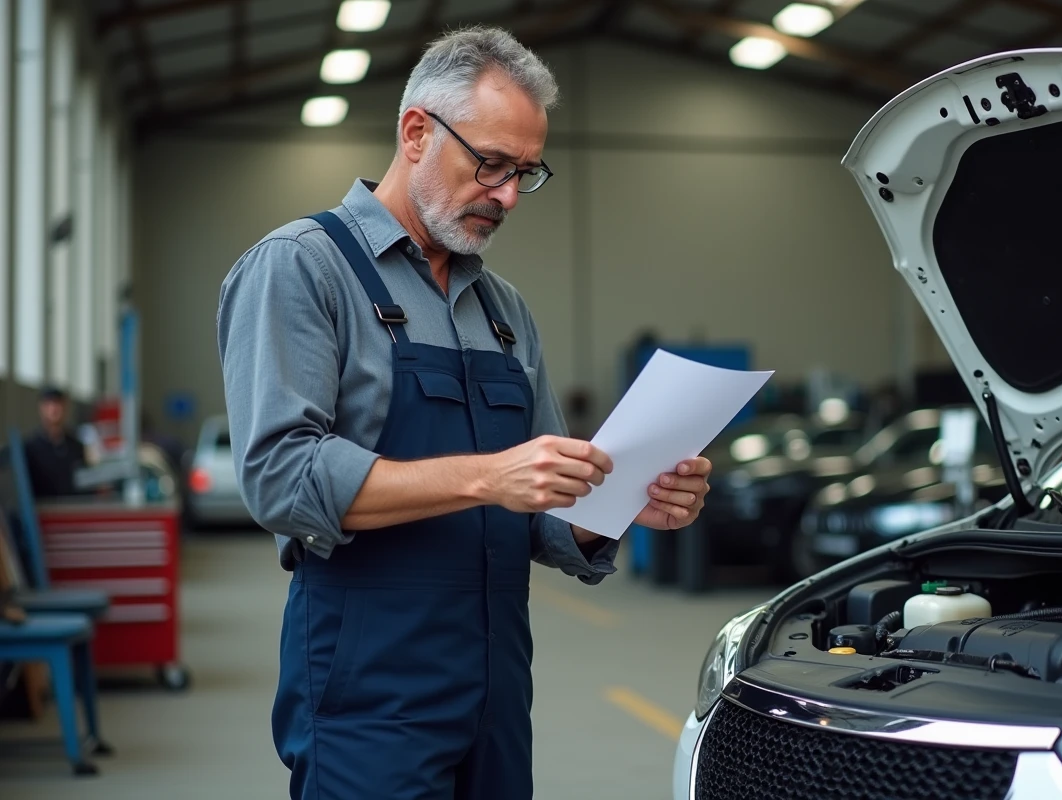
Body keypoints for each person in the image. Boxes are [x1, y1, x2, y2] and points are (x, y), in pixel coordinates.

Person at [216, 26, 712, 800]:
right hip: (369, 695)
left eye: (525, 173)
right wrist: (488, 477)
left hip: (497, 690)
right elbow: (280, 478)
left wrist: (618, 506)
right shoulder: (301, 269)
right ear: (416, 132)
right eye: (490, 165)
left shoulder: (503, 310)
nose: (508, 195)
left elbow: (545, 511)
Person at [23, 387, 90, 499]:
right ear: (41, 408)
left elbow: (83, 482)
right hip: (43, 512)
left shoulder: (76, 446)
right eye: (49, 404)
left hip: (71, 510)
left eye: (58, 403)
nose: (54, 409)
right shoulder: (30, 448)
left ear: (65, 407)